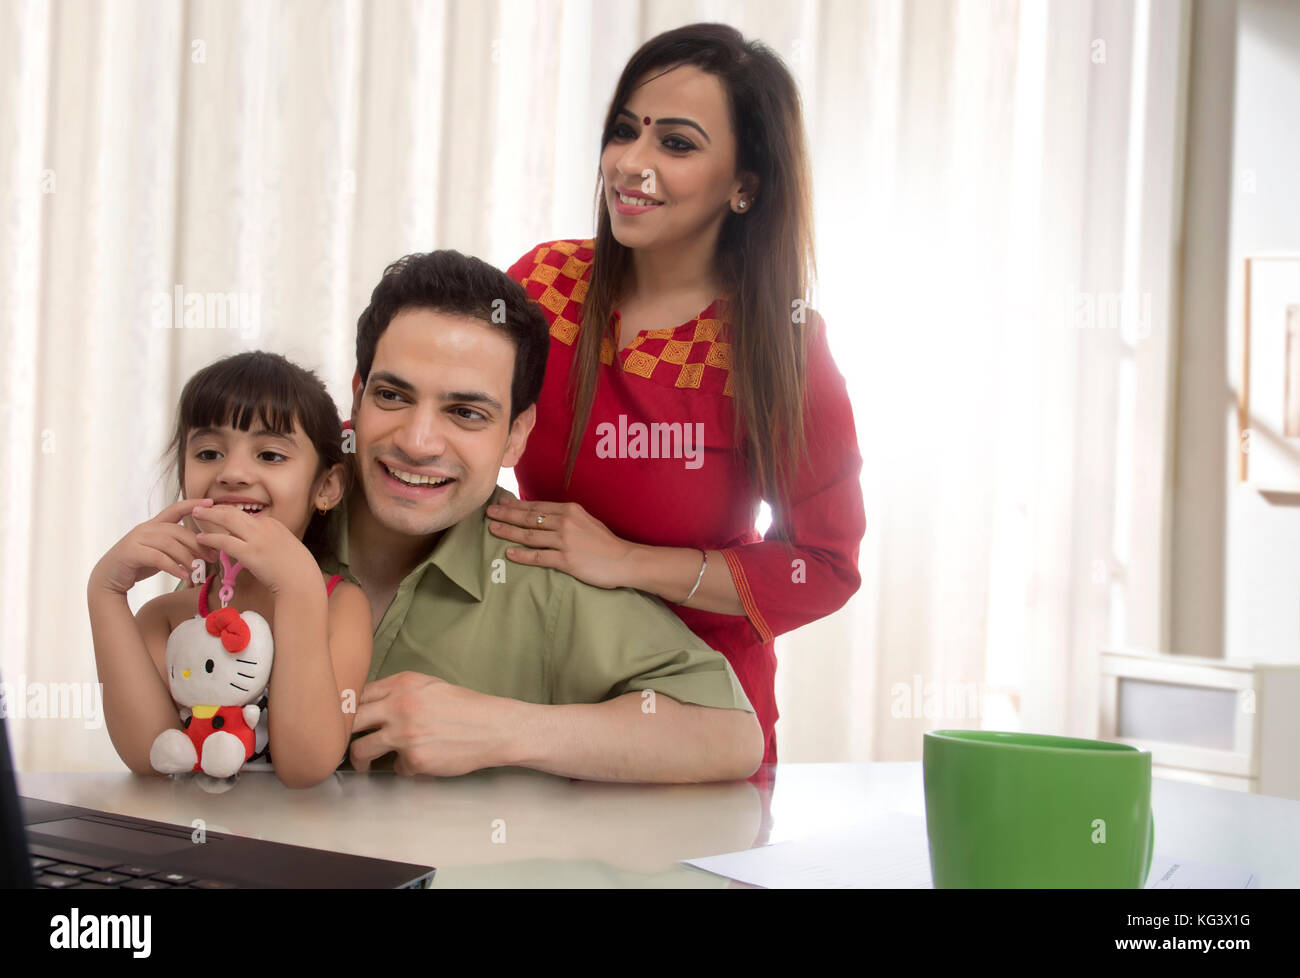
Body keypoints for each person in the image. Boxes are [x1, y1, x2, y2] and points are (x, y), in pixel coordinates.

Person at [495, 23, 866, 765]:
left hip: (700, 715)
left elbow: (823, 567)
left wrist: (625, 561)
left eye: (677, 144)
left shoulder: (782, 348)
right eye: (625, 131)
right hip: (541, 678)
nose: (631, 164)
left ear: (745, 186)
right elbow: (438, 418)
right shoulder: (543, 284)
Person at [335, 249, 763, 783]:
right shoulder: (277, 512)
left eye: (466, 413)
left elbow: (729, 734)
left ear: (516, 435)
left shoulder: (541, 570)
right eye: (393, 396)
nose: (418, 443)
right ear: (357, 398)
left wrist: (502, 729)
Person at [88, 352, 373, 788]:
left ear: (326, 487)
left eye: (271, 455)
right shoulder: (166, 618)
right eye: (208, 452)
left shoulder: (339, 604)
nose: (233, 473)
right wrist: (104, 593)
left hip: (299, 848)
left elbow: (306, 768)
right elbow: (152, 757)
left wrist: (298, 590)